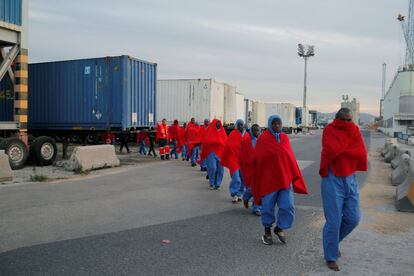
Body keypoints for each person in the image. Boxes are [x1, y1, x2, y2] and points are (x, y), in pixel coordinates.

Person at [319, 108, 368, 272]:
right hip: (332, 178)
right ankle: (330, 256)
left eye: (350, 120)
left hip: (350, 178)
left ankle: (331, 243)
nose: (347, 123)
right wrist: (348, 151)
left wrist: (344, 152)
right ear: (337, 118)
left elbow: (360, 152)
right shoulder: (329, 130)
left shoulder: (354, 129)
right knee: (334, 221)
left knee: (354, 218)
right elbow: (332, 150)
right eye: (344, 120)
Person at [253, 115, 308, 246]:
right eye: (274, 123)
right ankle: (267, 231)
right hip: (269, 180)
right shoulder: (263, 139)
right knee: (267, 207)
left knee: (288, 205)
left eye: (279, 123)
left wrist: (294, 174)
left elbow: (289, 157)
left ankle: (280, 228)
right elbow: (257, 159)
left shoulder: (284, 138)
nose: (277, 126)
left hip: (284, 179)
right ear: (270, 124)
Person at [222, 119, 250, 203]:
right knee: (236, 178)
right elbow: (227, 146)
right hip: (233, 159)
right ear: (237, 126)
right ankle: (234, 194)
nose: (241, 126)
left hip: (243, 160)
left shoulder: (247, 135)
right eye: (239, 125)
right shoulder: (232, 134)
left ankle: (240, 194)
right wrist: (226, 157)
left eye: (242, 125)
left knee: (243, 178)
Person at [239, 124, 262, 216]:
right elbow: (242, 157)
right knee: (251, 188)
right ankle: (246, 197)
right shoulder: (246, 142)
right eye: (255, 130)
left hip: (260, 169)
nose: (257, 132)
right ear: (251, 131)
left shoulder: (262, 141)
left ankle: (257, 208)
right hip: (250, 169)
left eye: (258, 130)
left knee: (260, 188)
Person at [201, 119, 227, 190]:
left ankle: (217, 184)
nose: (219, 125)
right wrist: (215, 141)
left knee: (220, 169)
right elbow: (206, 141)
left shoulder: (223, 131)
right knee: (212, 168)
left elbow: (225, 142)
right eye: (217, 123)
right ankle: (211, 183)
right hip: (211, 152)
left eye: (219, 123)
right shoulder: (210, 131)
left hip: (220, 153)